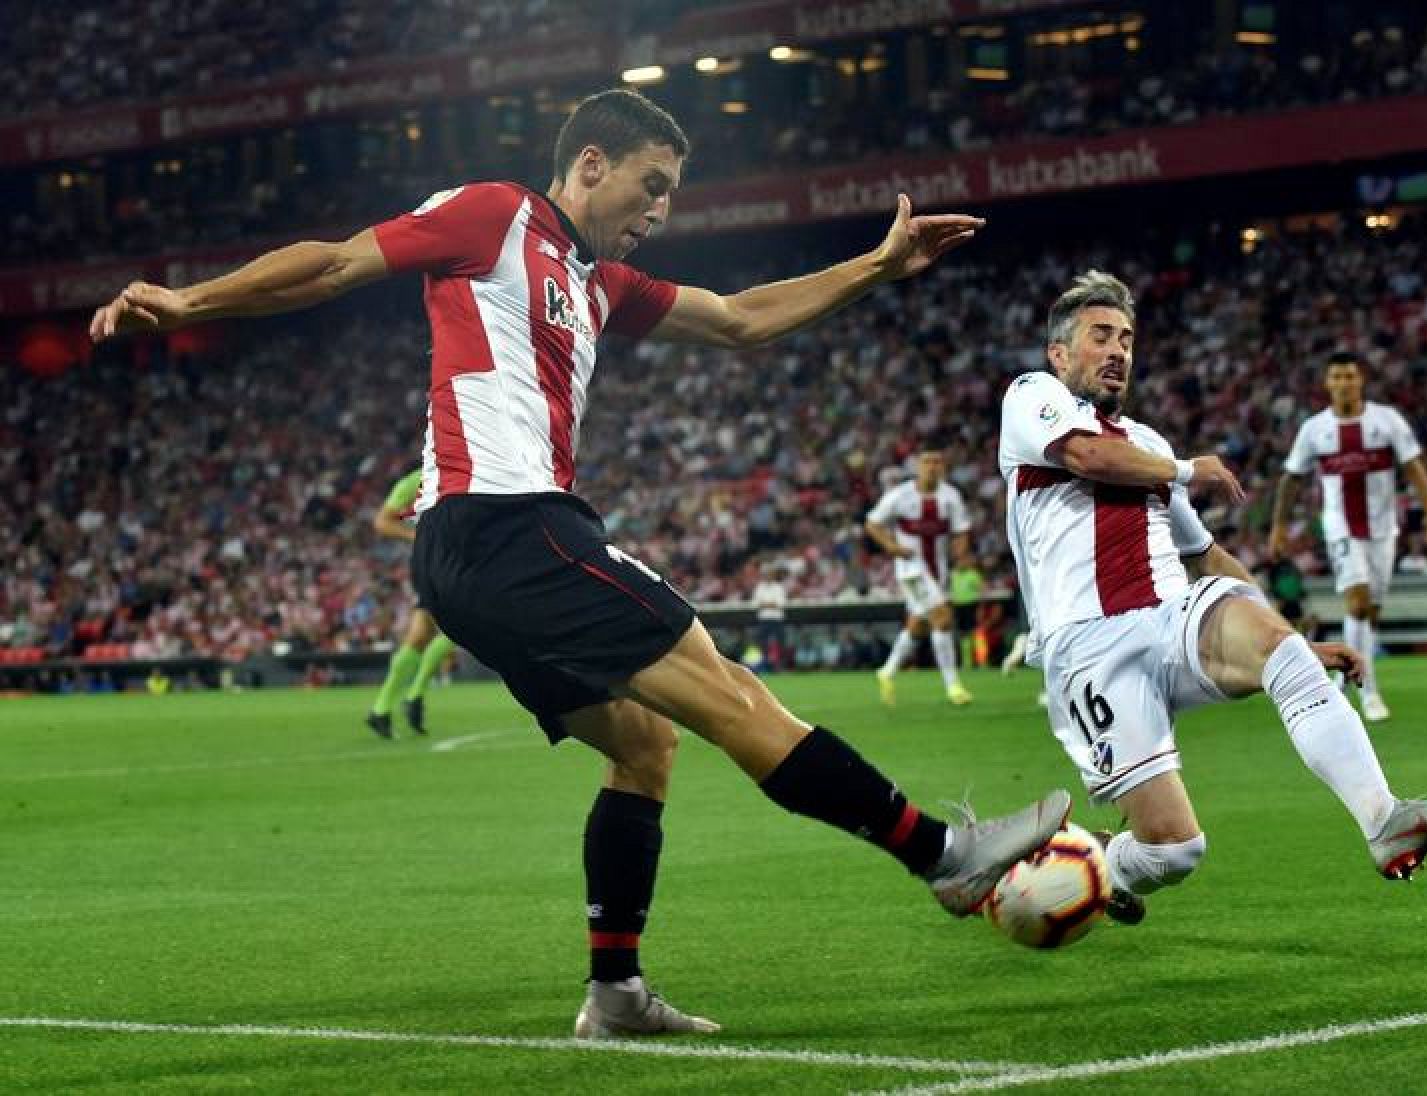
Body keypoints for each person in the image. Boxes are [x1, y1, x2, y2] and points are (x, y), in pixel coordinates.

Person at [89, 88, 1067, 1040]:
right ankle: (942, 856)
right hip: (506, 524)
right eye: (650, 184)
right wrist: (189, 302)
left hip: (487, 552)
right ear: (590, 162)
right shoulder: (495, 213)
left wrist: (875, 266)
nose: (660, 209)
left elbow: (738, 318)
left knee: (644, 743)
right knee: (727, 692)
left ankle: (615, 987)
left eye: (671, 193)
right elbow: (336, 263)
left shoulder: (594, 281)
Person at [1000, 270, 1427, 925]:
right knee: (1176, 852)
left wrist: (1293, 640)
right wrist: (1185, 470)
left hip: (1171, 620)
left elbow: (1205, 556)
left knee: (1274, 646)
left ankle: (1386, 820)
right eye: (1101, 336)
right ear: (1060, 354)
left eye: (1127, 338)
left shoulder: (1148, 443)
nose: (1119, 350)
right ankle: (1093, 864)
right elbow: (1085, 455)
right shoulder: (1032, 396)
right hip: (1086, 648)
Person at [1269, 352, 1427, 722]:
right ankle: (1369, 695)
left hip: (1383, 529)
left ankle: (1340, 677)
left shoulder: (1386, 421)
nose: (1344, 382)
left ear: (1360, 380)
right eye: (1337, 376)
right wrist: (1279, 527)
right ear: (1328, 383)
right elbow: (1291, 479)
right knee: (1359, 603)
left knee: (1372, 613)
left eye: (1350, 375)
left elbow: (1416, 473)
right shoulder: (1315, 429)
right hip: (1340, 524)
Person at [864, 446, 976, 706]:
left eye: (938, 461)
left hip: (939, 569)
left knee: (920, 625)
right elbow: (872, 523)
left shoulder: (951, 497)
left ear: (943, 467)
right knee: (943, 618)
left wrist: (960, 554)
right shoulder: (899, 496)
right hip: (911, 568)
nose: (933, 466)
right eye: (927, 462)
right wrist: (891, 546)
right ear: (917, 467)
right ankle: (953, 686)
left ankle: (887, 670)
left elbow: (961, 530)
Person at [365, 466, 457, 738]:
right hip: (439, 563)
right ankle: (409, 696)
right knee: (464, 626)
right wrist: (416, 536)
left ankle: (384, 709)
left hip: (454, 562)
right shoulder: (420, 477)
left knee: (422, 635)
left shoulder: (468, 469)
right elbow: (382, 521)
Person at [750, 561, 789, 671]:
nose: (767, 576)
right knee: (762, 645)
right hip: (764, 620)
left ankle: (780, 667)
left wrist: (765, 604)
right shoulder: (759, 587)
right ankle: (763, 667)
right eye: (765, 574)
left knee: (781, 644)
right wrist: (771, 604)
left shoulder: (778, 587)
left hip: (777, 620)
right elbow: (755, 604)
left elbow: (781, 604)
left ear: (773, 575)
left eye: (769, 574)